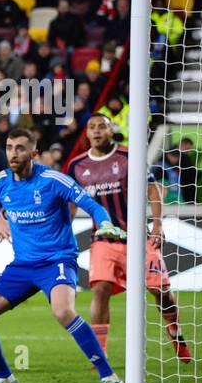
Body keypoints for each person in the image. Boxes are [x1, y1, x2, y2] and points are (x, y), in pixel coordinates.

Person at [0, 128, 128, 383]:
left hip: (57, 261)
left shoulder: (53, 180)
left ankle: (110, 379)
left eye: (20, 148)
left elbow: (90, 204)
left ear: (33, 153)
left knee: (63, 311)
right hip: (22, 266)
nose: (13, 153)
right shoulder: (0, 182)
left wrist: (105, 224)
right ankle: (4, 379)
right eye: (9, 147)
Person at [65, 113, 191, 362]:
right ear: (87, 133)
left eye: (102, 126)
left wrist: (157, 225)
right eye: (92, 127)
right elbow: (70, 204)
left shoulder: (128, 157)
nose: (97, 131)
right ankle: (99, 353)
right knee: (99, 289)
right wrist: (64, 236)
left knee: (160, 291)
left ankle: (175, 332)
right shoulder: (76, 166)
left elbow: (152, 190)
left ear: (112, 130)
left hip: (138, 237)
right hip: (103, 239)